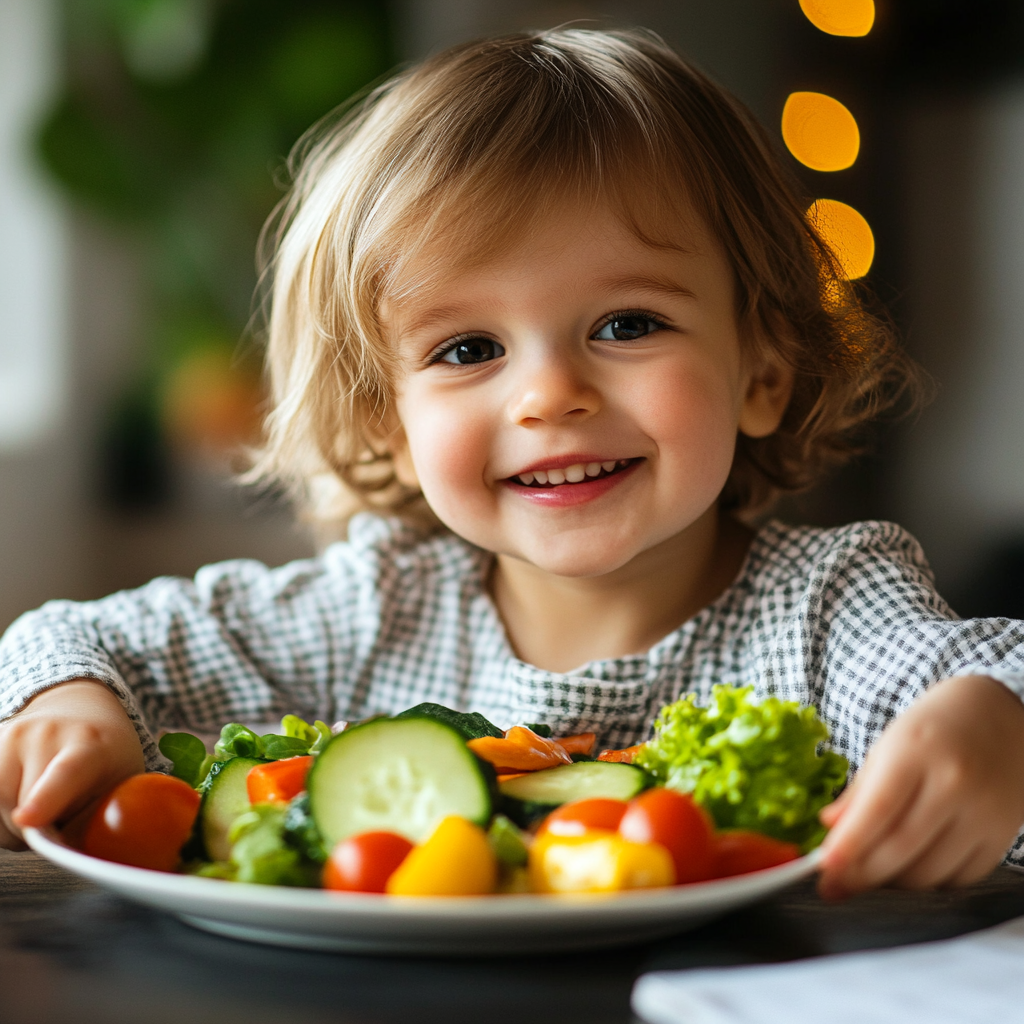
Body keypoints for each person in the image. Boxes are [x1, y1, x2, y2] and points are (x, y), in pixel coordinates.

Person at [1, 28, 1023, 899]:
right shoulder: (380, 606)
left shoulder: (828, 609)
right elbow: (74, 639)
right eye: (468, 349)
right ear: (387, 422)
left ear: (761, 370)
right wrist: (70, 710)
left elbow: (991, 677)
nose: (549, 395)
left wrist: (997, 728)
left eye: (627, 324)